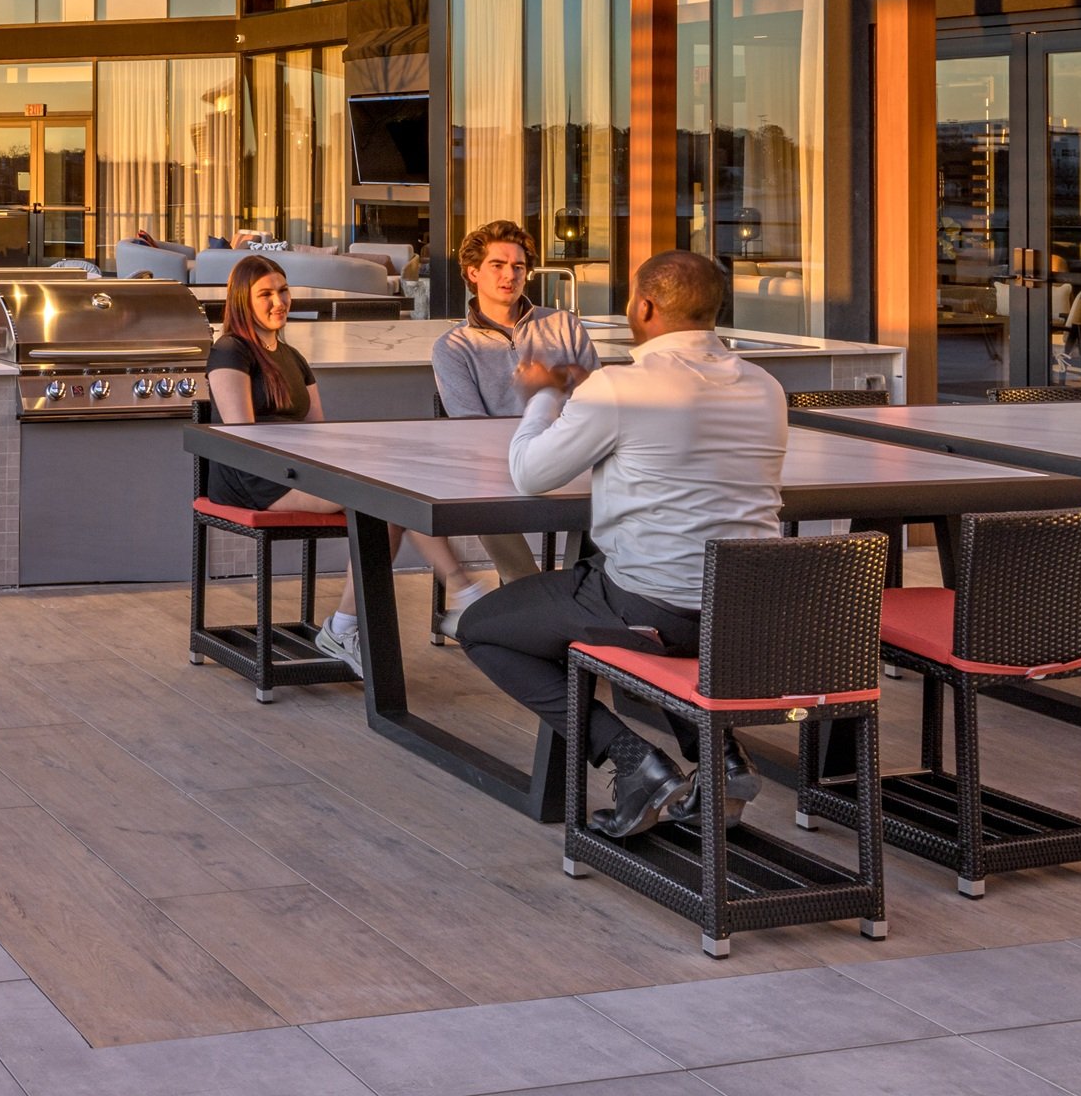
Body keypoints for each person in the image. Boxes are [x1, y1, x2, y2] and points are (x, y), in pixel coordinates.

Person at [455, 250, 789, 841]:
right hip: (750, 612)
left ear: (645, 307)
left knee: (482, 628)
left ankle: (633, 760)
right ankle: (724, 759)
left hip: (659, 610)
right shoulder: (766, 387)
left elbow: (530, 473)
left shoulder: (622, 387)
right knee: (624, 580)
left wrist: (543, 394)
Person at [200, 252, 492, 678]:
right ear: (242, 300)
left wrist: (361, 453)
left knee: (391, 497)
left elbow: (318, 429)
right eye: (265, 294)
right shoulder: (230, 350)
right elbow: (245, 435)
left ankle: (345, 626)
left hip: (293, 469)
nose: (279, 301)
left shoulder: (291, 356)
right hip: (253, 476)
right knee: (384, 495)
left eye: (283, 291)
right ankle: (461, 591)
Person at [432, 220, 599, 420]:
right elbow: (472, 425)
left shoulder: (565, 326)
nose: (510, 275)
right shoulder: (453, 348)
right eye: (497, 265)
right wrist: (548, 395)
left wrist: (553, 385)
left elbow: (601, 403)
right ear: (473, 272)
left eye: (518, 267)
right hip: (497, 441)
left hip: (572, 439)